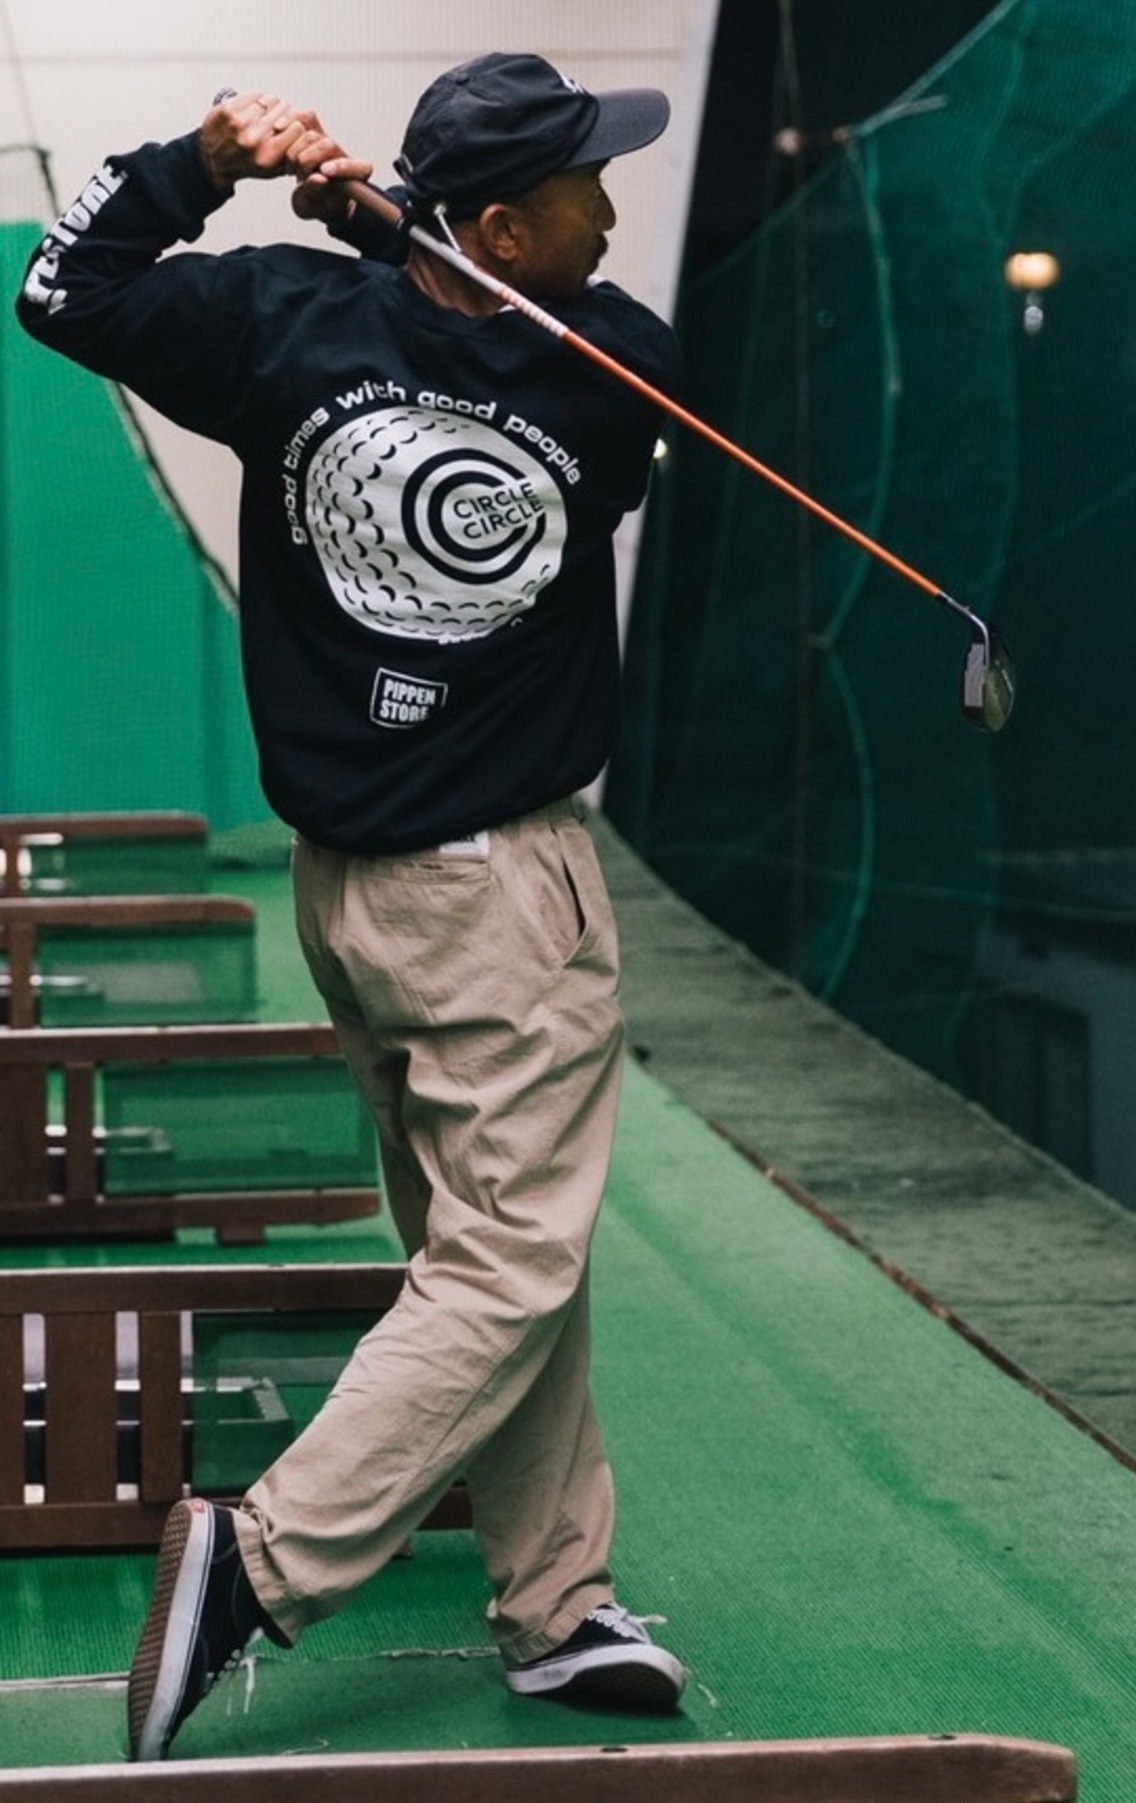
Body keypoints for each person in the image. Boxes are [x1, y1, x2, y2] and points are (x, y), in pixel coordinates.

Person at [17, 52, 687, 1761]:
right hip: (503, 900)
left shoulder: (281, 325)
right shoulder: (611, 374)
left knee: (493, 1256)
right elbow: (555, 355)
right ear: (502, 231)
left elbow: (64, 288)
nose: (610, 216)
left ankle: (555, 1602)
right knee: (508, 1261)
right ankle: (262, 1560)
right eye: (583, 192)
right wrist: (392, 242)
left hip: (352, 898)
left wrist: (208, 162)